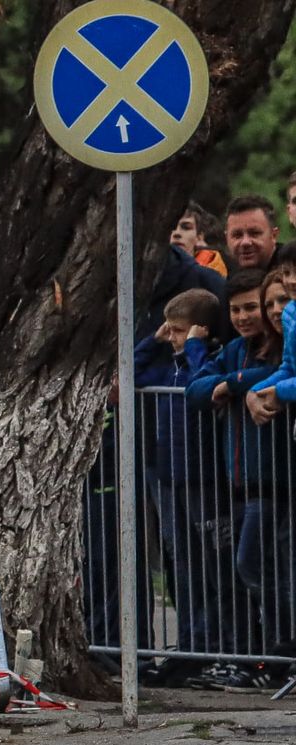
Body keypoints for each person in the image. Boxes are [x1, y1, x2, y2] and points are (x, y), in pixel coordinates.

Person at [185, 269, 291, 682]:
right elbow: (195, 390)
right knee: (248, 567)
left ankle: (280, 651)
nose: (248, 316)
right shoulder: (235, 349)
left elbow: (278, 375)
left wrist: (230, 385)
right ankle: (268, 654)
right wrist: (230, 382)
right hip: (240, 482)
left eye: (254, 307)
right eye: (238, 309)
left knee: (253, 564)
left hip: (274, 480)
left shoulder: (281, 347)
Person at [135, 288, 227, 667]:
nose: (171, 336)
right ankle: (190, 645)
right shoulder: (164, 363)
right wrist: (152, 340)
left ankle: (214, 645)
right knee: (182, 562)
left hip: (201, 475)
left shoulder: (204, 361)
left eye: (178, 330)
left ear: (200, 332)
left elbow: (200, 383)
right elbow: (134, 372)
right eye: (169, 330)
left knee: (210, 564)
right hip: (167, 472)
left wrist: (193, 348)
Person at [224, 195, 279, 273]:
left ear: (274, 235)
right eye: (237, 235)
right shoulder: (217, 276)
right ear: (226, 238)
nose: (245, 242)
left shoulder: (291, 274)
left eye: (254, 233)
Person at [172, 202, 227, 276]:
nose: (177, 233)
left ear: (199, 237)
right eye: (171, 227)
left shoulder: (216, 275)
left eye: (186, 227)